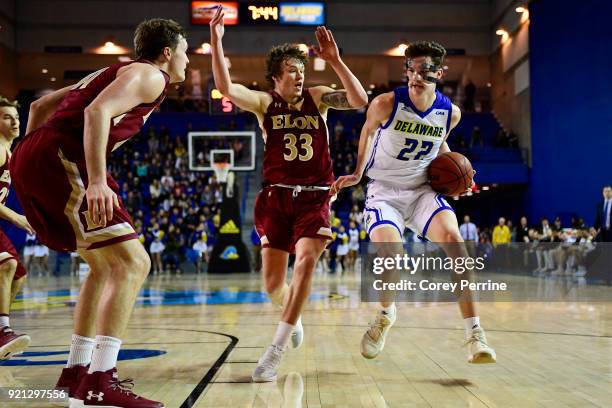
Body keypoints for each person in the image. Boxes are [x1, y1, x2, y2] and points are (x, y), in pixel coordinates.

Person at [11, 18, 188, 407]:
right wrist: (95, 180)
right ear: (167, 53)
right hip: (62, 157)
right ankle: (99, 382)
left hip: (37, 152)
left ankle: (75, 374)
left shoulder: (113, 71)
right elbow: (97, 113)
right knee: (133, 264)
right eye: (186, 52)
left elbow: (40, 105)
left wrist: (27, 158)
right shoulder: (150, 76)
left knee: (106, 266)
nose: (188, 61)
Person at [210, 6, 367, 382]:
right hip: (276, 199)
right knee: (271, 285)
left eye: (302, 69)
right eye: (292, 71)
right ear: (276, 77)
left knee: (307, 261)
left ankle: (275, 350)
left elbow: (359, 100)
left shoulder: (319, 96)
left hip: (314, 197)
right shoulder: (265, 104)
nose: (299, 76)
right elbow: (228, 89)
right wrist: (216, 42)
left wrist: (336, 61)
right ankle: (292, 318)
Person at [332, 41, 496, 364]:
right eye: (410, 69)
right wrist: (356, 173)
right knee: (391, 253)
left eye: (423, 70)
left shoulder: (451, 113)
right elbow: (366, 132)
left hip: (422, 190)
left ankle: (475, 334)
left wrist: (460, 169)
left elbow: (439, 141)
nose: (415, 76)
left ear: (439, 73)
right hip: (385, 190)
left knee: (456, 244)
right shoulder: (385, 104)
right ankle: (385, 313)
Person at [0, 96, 35, 360]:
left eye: (16, 117)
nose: (15, 122)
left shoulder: (10, 152)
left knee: (18, 275)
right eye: (6, 117)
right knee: (7, 264)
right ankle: (3, 330)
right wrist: (16, 217)